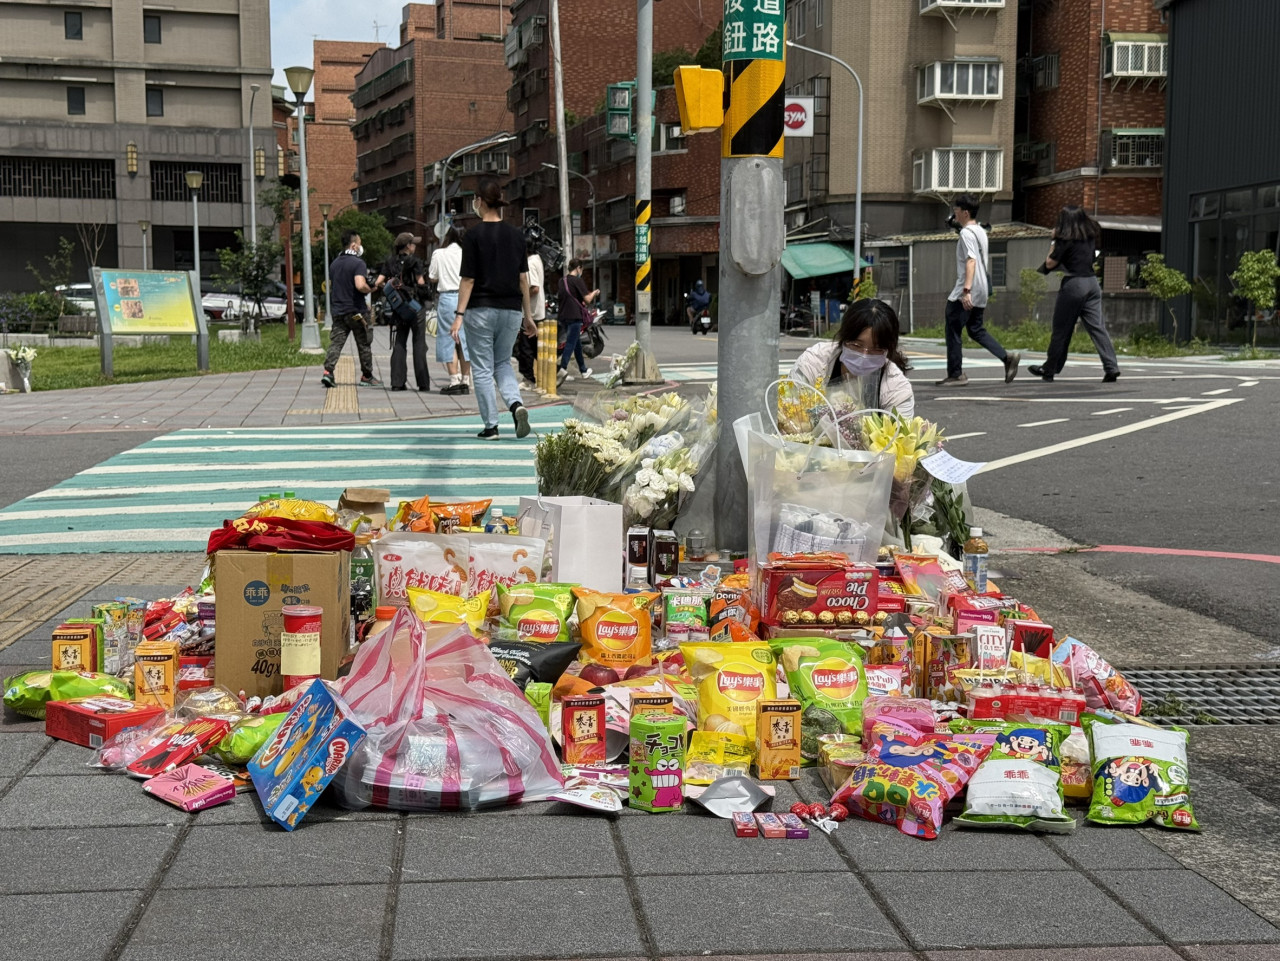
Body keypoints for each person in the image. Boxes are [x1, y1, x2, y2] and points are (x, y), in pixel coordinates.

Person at [452, 178, 537, 440]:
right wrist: (529, 316)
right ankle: (515, 405)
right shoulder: (516, 236)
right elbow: (524, 279)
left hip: (480, 310)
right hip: (511, 311)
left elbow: (468, 279)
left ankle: (491, 426)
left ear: (479, 201)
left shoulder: (473, 235)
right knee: (502, 363)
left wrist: (458, 316)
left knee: (482, 368)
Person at [1029, 206, 1121, 383]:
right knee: (1097, 327)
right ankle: (1111, 367)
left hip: (1074, 284)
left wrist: (1054, 241)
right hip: (1092, 283)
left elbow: (1049, 263)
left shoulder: (1065, 240)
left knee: (1061, 330)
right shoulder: (1089, 236)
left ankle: (1049, 369)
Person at [936, 193, 1020, 387]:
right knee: (975, 329)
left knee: (953, 328)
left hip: (969, 288)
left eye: (956, 210)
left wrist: (966, 291)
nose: (954, 213)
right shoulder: (980, 230)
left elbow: (971, 260)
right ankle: (1006, 357)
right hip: (982, 287)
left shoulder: (966, 234)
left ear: (965, 212)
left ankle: (956, 374)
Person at [789, 297, 915, 419]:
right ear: (843, 339)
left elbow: (899, 435)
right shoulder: (814, 363)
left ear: (888, 350)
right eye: (856, 345)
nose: (864, 355)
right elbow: (790, 412)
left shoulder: (897, 388)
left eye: (877, 349)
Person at [320, 230, 381, 389]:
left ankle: (328, 372)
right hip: (356, 312)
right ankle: (366, 376)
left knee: (336, 343)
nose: (361, 247)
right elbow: (360, 285)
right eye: (359, 244)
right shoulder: (358, 263)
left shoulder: (334, 263)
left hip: (339, 311)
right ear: (354, 245)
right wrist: (370, 289)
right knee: (364, 343)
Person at [374, 232, 430, 392]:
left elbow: (379, 282)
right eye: (413, 243)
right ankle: (423, 383)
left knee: (399, 343)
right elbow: (420, 282)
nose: (415, 246)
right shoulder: (415, 261)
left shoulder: (390, 262)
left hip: (399, 309)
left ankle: (397, 383)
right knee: (419, 344)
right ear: (408, 246)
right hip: (416, 307)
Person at [429, 227, 471, 396]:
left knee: (448, 340)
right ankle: (466, 380)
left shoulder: (439, 254)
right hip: (466, 298)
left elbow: (432, 276)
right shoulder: (468, 253)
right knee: (465, 341)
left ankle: (454, 380)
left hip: (447, 298)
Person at [556, 258, 599, 385]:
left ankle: (583, 370)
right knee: (570, 343)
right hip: (574, 316)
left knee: (576, 344)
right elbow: (587, 300)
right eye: (582, 269)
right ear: (578, 268)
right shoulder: (577, 281)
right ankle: (562, 370)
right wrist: (595, 292)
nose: (582, 272)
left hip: (563, 316)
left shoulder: (561, 281)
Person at [516, 240, 543, 388]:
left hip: (531, 312)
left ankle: (528, 378)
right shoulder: (538, 260)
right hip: (537, 311)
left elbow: (534, 288)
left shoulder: (530, 263)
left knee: (526, 347)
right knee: (536, 347)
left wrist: (522, 299)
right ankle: (557, 371)